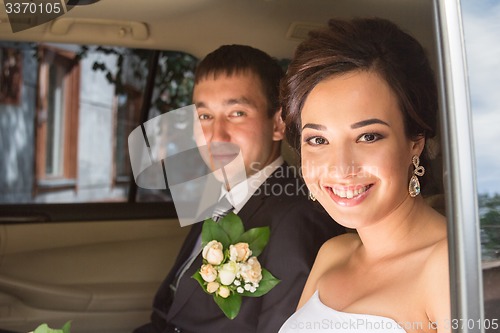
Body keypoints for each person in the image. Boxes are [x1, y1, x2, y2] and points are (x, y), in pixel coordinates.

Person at [134, 44, 346, 333]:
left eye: (236, 113)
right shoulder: (220, 196)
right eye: (205, 117)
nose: (215, 135)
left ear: (278, 123)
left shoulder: (297, 219)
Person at [278, 18, 450, 332]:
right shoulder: (333, 254)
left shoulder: (449, 266)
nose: (341, 168)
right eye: (318, 140)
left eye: (368, 137)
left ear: (416, 142)